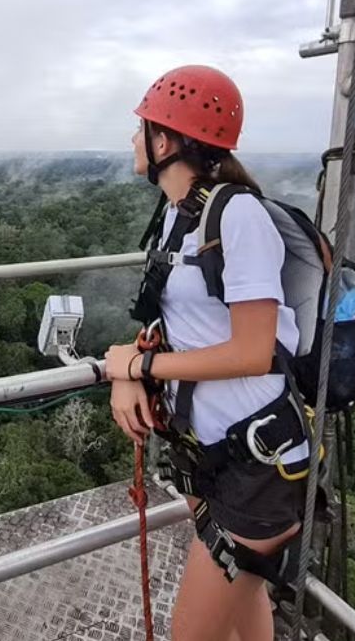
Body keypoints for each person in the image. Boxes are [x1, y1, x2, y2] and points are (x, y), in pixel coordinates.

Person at [105, 65, 309, 641]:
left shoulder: (237, 215)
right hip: (216, 459)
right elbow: (186, 327)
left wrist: (140, 367)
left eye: (140, 129)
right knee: (245, 611)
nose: (132, 141)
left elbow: (250, 351)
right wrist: (132, 367)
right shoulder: (176, 217)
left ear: (164, 141)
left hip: (259, 463)